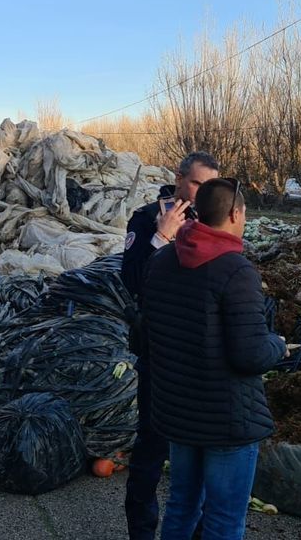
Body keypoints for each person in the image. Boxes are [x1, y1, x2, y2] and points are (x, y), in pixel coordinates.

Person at [140, 178, 287, 540]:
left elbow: (143, 334)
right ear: (236, 214)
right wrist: (278, 346)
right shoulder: (236, 271)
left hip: (178, 414)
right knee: (223, 519)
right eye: (245, 213)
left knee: (180, 506)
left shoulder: (160, 261)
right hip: (226, 420)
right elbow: (249, 354)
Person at [122, 151, 220, 540]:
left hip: (201, 353)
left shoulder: (213, 220)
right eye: (196, 184)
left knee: (198, 453)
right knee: (151, 450)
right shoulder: (145, 219)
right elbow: (131, 280)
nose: (200, 194)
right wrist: (160, 237)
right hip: (159, 352)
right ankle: (142, 533)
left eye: (209, 187)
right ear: (179, 179)